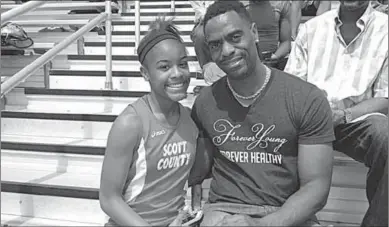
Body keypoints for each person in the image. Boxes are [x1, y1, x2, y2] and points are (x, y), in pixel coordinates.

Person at [188, 1, 335, 226]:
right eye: (216, 45)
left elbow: (316, 188)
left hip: (286, 212)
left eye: (235, 37)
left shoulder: (306, 98)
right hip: (223, 212)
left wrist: (260, 224)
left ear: (254, 32)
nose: (227, 51)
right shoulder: (206, 102)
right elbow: (195, 171)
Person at [284, 1, 388, 226]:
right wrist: (314, 106)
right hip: (310, 116)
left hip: (357, 120)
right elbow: (291, 84)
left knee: (387, 136)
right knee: (273, 126)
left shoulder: (386, 30)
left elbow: (385, 97)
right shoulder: (311, 28)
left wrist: (344, 115)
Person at [99, 17, 199, 227]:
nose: (177, 74)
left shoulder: (191, 118)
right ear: (145, 73)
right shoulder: (131, 123)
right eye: (164, 67)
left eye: (182, 64)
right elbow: (109, 199)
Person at [245, 0, 292, 70]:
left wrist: (274, 57)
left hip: (272, 62)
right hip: (245, 60)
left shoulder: (281, 3)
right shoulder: (238, 5)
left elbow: (286, 42)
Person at [189, 0, 226, 85]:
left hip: (221, 19)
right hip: (202, 22)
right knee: (199, 35)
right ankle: (206, 70)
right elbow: (199, 11)